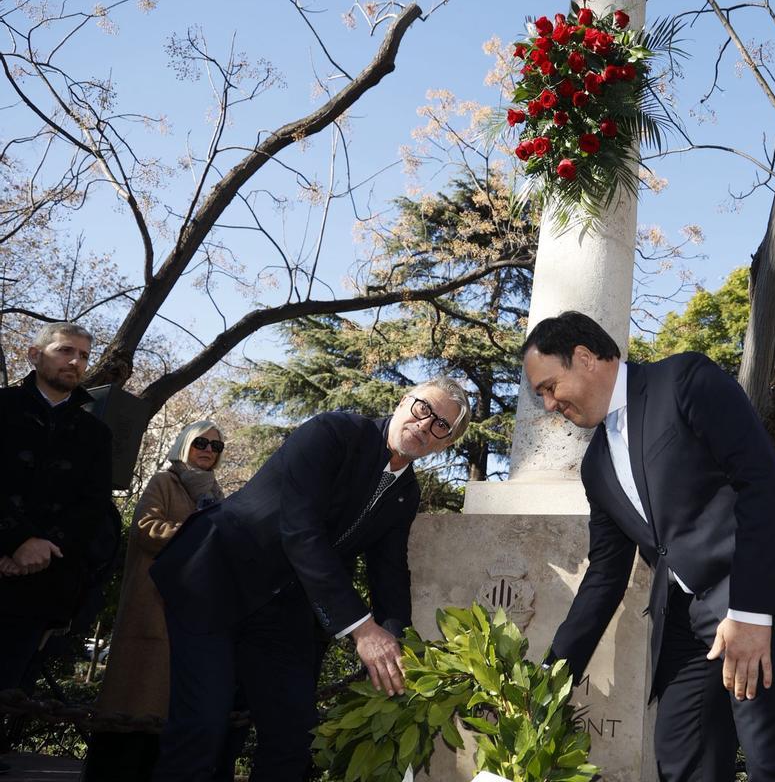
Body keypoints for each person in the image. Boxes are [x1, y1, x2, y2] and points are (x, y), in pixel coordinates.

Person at [521, 311, 775, 781]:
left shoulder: (683, 379)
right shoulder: (595, 466)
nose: (550, 405)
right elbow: (604, 574)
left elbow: (761, 485)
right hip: (685, 624)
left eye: (550, 387)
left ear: (584, 357)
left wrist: (752, 613)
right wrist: (549, 680)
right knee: (682, 759)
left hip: (765, 604)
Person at [149, 378, 471, 781]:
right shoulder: (333, 432)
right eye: (423, 408)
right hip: (215, 580)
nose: (425, 425)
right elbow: (300, 532)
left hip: (284, 609)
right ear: (404, 401)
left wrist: (401, 650)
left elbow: (388, 574)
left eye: (441, 425)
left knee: (293, 737)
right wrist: (362, 630)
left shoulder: (406, 494)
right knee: (202, 727)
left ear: (445, 443)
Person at [87, 421, 228, 781]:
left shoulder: (215, 493)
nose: (208, 450)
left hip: (191, 617)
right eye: (201, 442)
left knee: (168, 720)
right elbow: (146, 529)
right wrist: (200, 533)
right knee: (131, 710)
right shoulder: (166, 481)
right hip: (151, 612)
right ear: (184, 443)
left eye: (216, 447)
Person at [0, 322, 113, 692]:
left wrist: (40, 549)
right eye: (65, 350)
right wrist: (15, 542)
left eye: (83, 355)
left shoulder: (96, 434)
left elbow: (92, 505)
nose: (75, 362)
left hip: (41, 585)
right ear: (35, 355)